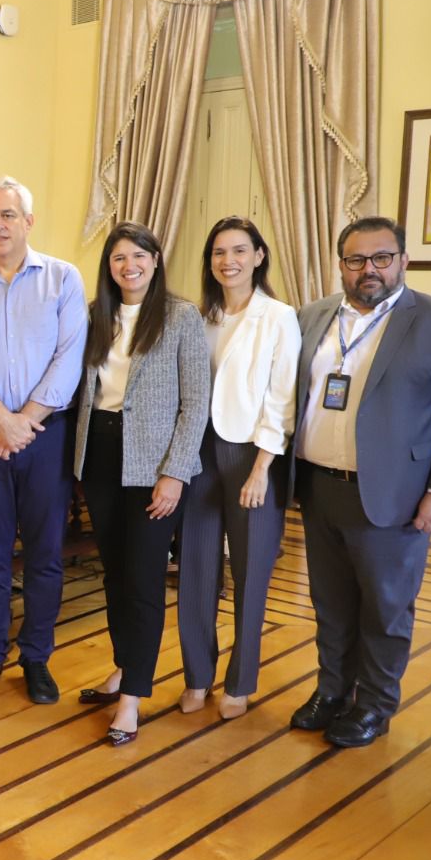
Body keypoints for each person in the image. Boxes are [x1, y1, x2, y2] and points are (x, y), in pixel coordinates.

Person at [288, 216, 431, 748]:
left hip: (394, 496)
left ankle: (374, 705)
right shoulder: (313, 317)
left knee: (385, 607)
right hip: (319, 486)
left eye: (381, 258)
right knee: (330, 604)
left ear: (403, 261)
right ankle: (332, 691)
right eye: (355, 259)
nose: (368, 269)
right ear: (341, 265)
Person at [0, 176, 88, 703]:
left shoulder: (63, 279)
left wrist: (23, 421)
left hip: (44, 432)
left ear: (28, 221)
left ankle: (36, 657)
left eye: (7, 215)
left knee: (46, 551)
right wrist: (2, 419)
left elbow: (69, 358)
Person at [70, 222, 209, 746]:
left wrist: (174, 473)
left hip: (153, 465)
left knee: (145, 580)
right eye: (118, 258)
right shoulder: (94, 316)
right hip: (101, 454)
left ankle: (133, 698)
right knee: (112, 574)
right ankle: (122, 667)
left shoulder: (180, 317)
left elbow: (196, 403)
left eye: (138, 256)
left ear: (155, 259)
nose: (128, 266)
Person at [176, 217, 300, 719]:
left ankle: (241, 681)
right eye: (219, 252)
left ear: (259, 256)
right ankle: (196, 676)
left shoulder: (278, 316)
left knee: (250, 574)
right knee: (197, 569)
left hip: (252, 454)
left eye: (239, 250)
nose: (228, 260)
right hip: (199, 452)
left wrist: (261, 469)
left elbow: (282, 398)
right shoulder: (199, 316)